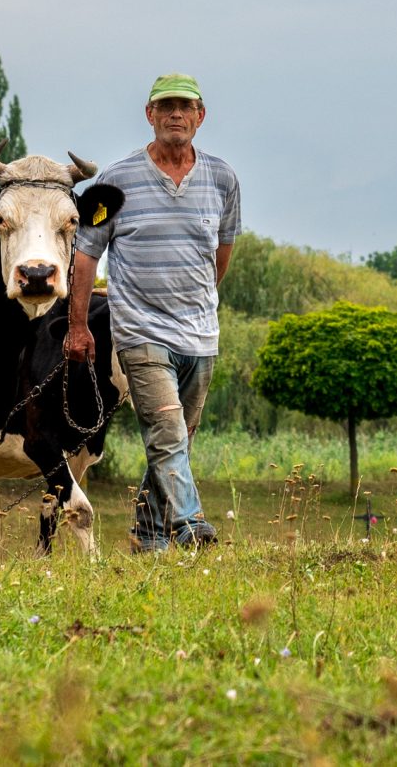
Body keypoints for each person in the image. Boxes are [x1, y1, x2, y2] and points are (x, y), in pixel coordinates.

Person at [67, 73, 241, 551]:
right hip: (140, 332)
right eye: (165, 106)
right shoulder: (116, 180)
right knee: (166, 429)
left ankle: (146, 535)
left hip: (201, 334)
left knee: (177, 441)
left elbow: (221, 251)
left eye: (185, 106)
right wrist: (78, 325)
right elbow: (86, 254)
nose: (175, 115)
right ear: (150, 115)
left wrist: (199, 299)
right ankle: (188, 524)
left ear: (201, 117)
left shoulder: (223, 178)